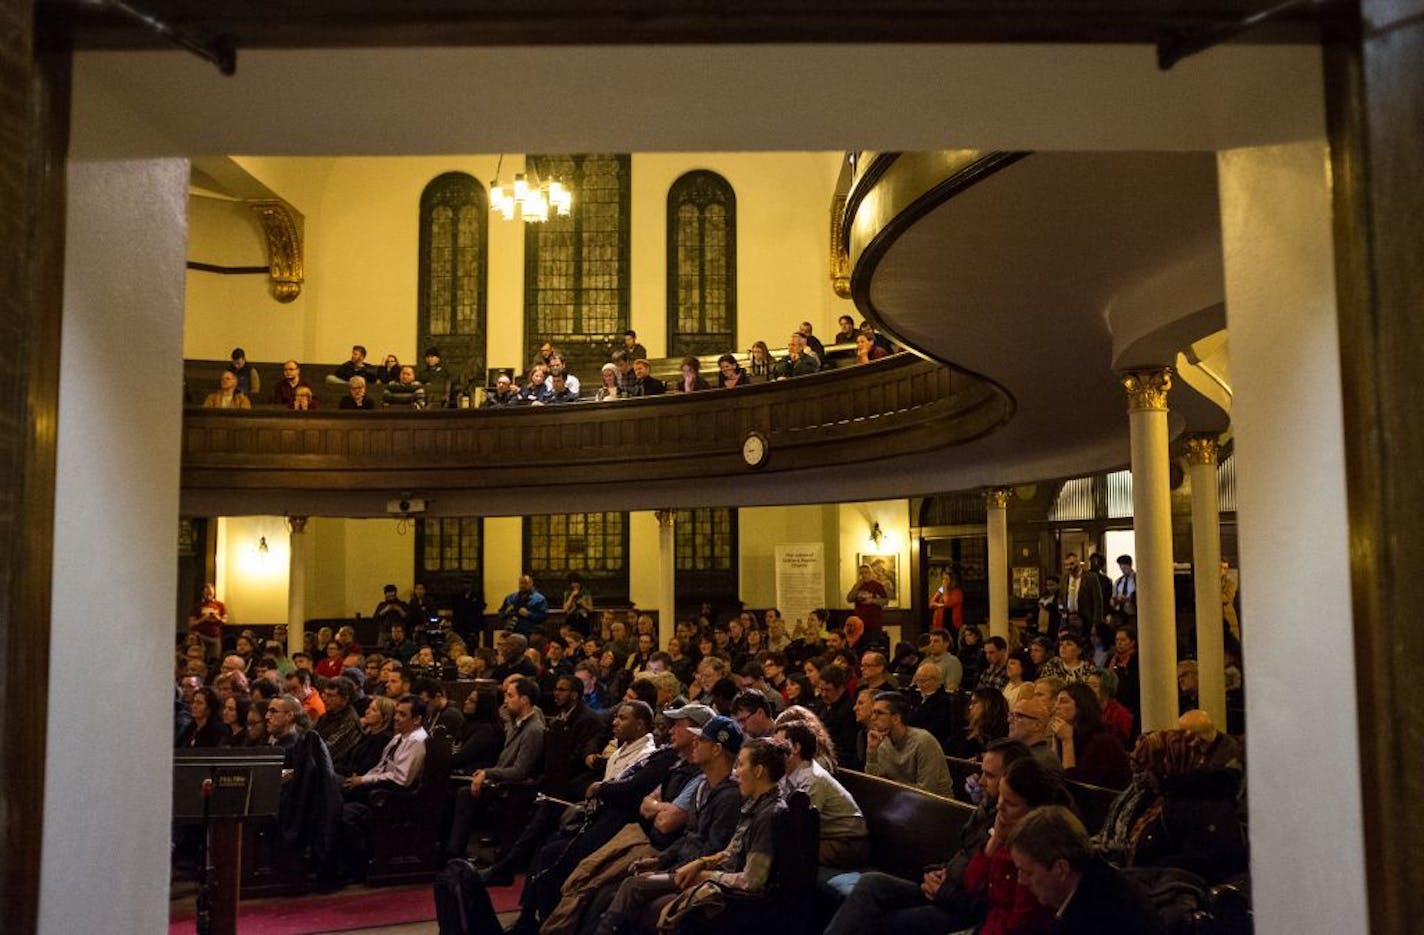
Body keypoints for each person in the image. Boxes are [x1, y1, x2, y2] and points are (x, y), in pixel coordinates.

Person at [1010, 806, 1168, 935]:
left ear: (1061, 869)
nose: (1021, 881)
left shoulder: (1091, 919)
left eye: (1028, 872)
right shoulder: (1099, 878)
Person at [775, 719, 867, 868]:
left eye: (779, 745)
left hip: (846, 842)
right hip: (824, 838)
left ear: (796, 748)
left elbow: (802, 825)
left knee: (786, 850)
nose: (774, 751)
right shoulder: (787, 772)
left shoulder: (813, 778)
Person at [865, 691, 953, 796]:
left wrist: (890, 788)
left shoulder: (923, 741)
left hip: (939, 805)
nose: (872, 718)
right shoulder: (882, 742)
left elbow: (926, 791)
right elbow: (874, 784)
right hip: (900, 801)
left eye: (879, 713)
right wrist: (872, 751)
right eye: (873, 712)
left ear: (896, 718)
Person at [1049, 682, 1131, 788]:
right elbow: (1053, 774)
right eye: (1056, 701)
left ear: (1081, 707)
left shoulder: (1101, 741)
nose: (1056, 707)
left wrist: (1067, 741)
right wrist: (1056, 739)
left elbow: (1075, 788)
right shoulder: (1071, 734)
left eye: (1063, 701)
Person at [846, 563, 888, 643]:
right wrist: (856, 587)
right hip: (859, 622)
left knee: (873, 645)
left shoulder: (877, 585)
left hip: (874, 622)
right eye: (861, 573)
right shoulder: (857, 586)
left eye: (866, 572)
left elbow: (885, 601)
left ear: (870, 573)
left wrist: (872, 601)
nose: (864, 575)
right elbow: (849, 599)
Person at [187, 582, 226, 663]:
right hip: (201, 636)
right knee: (200, 659)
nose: (209, 595)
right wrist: (204, 618)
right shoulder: (197, 606)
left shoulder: (220, 605)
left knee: (215, 660)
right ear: (203, 593)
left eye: (210, 593)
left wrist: (217, 617)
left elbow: (224, 621)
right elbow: (191, 624)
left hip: (215, 637)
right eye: (207, 593)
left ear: (214, 593)